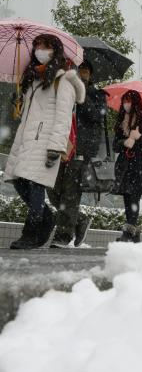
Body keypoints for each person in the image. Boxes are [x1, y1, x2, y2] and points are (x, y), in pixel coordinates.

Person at [4, 34, 85, 249]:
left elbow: (63, 118)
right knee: (20, 181)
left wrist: (55, 147)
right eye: (37, 45)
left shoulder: (63, 81)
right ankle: (47, 217)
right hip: (26, 141)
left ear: (55, 51)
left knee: (36, 183)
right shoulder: (34, 80)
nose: (40, 50)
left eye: (46, 46)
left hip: (46, 142)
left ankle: (31, 232)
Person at [47, 60, 106, 248]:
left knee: (70, 195)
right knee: (53, 190)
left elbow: (96, 116)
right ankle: (79, 219)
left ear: (91, 74)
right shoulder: (64, 88)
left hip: (79, 151)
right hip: (60, 145)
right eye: (79, 69)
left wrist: (83, 91)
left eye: (86, 70)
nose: (82, 73)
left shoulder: (97, 94)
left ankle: (63, 236)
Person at [111, 90, 142, 243]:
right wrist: (124, 142)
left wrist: (139, 138)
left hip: (140, 166)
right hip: (125, 166)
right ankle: (134, 232)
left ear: (135, 102)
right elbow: (114, 146)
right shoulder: (121, 122)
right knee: (126, 196)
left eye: (129, 101)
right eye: (124, 100)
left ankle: (128, 232)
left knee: (134, 197)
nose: (126, 104)